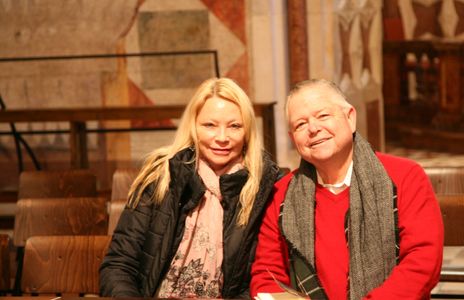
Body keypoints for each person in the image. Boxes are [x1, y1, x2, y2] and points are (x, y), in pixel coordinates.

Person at [250, 79, 444, 299]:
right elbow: (267, 276)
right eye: (300, 124)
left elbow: (423, 262)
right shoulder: (282, 194)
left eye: (323, 116)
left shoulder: (405, 177)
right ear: (293, 138)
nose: (313, 129)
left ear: (350, 117)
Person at [100, 77, 280, 298]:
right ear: (193, 126)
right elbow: (119, 266)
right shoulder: (161, 176)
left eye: (234, 126)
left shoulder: (262, 187)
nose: (222, 138)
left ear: (248, 131)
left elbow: (263, 278)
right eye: (210, 125)